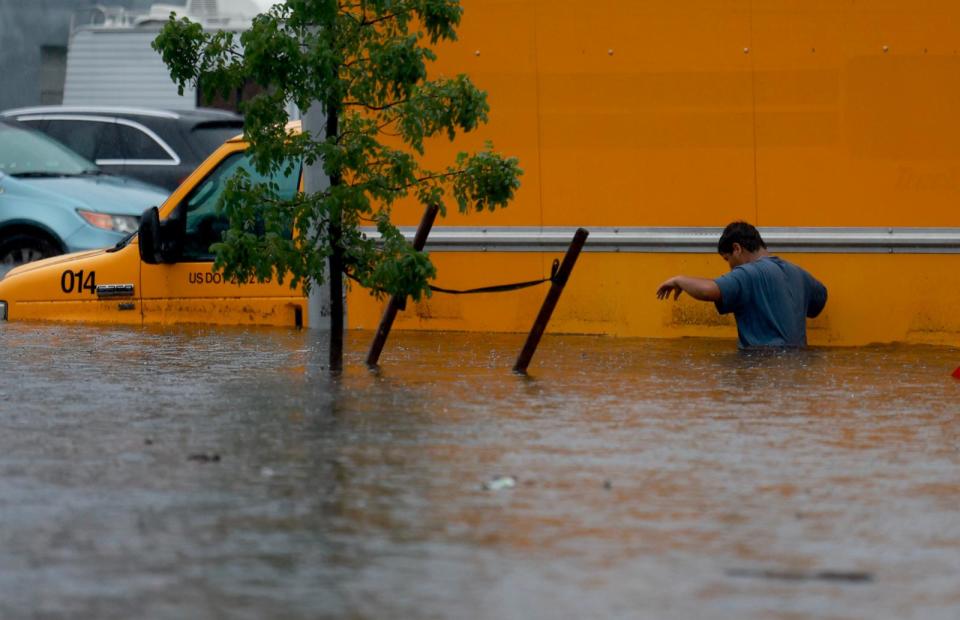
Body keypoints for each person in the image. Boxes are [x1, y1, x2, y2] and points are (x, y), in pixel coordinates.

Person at [656, 221, 827, 348]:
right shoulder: (798, 274)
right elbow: (820, 301)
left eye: (727, 259)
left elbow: (709, 291)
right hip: (795, 365)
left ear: (737, 248)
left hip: (762, 364)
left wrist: (679, 279)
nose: (729, 266)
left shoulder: (748, 273)